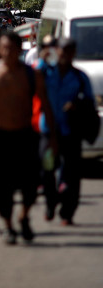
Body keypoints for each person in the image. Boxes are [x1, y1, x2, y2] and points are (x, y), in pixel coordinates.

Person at [0, 32, 56, 245]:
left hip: (25, 135)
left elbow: (46, 105)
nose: (7, 52)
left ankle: (23, 216)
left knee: (30, 184)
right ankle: (8, 226)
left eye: (12, 48)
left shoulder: (32, 74)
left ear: (19, 50)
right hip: (0, 136)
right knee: (2, 185)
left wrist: (52, 136)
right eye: (4, 48)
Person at [38, 38, 94, 226]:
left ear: (73, 53)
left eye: (70, 51)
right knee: (47, 170)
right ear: (57, 51)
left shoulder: (80, 77)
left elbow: (89, 102)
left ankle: (67, 212)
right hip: (48, 131)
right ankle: (50, 203)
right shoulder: (46, 71)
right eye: (62, 50)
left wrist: (76, 105)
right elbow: (33, 77)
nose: (65, 54)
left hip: (70, 132)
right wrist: (42, 60)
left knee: (72, 174)